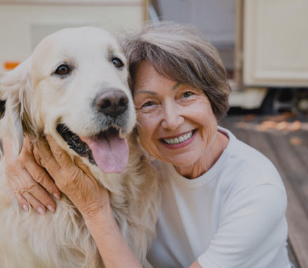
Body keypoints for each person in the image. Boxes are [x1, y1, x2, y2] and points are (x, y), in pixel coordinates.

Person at [3, 22, 292, 268]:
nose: (172, 121)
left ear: (213, 97)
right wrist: (13, 151)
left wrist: (94, 210)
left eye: (187, 95)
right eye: (150, 102)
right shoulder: (154, 156)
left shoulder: (257, 191)